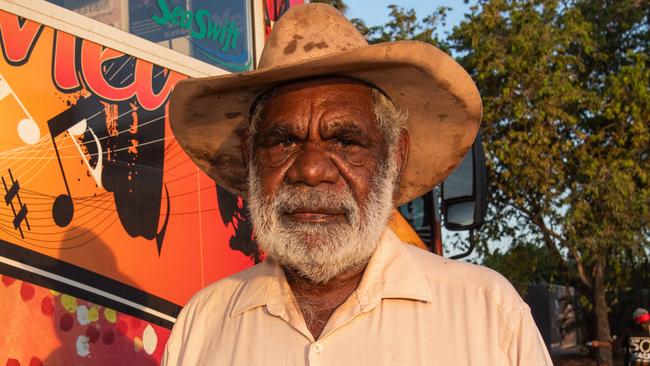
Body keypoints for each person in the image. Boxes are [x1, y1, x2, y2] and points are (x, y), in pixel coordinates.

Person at [162, 3, 552, 365]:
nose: (311, 170)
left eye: (346, 142)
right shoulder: (202, 327)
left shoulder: (488, 316)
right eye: (284, 142)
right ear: (250, 158)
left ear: (395, 157)